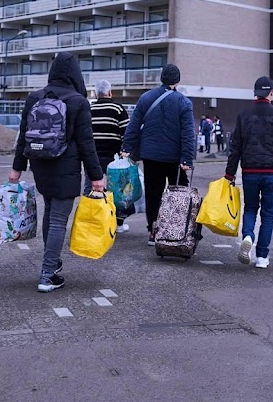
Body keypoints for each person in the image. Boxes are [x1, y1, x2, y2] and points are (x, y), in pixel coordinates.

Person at [10, 53, 103, 293]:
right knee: (59, 220)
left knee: (50, 213)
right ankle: (47, 274)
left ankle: (52, 263)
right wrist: (96, 175)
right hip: (66, 166)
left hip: (40, 164)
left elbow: (23, 136)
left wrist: (17, 168)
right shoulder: (78, 101)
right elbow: (86, 143)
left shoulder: (35, 97)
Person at [120, 63, 196, 245]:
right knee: (177, 194)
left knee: (153, 193)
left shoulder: (146, 98)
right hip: (175, 159)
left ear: (161, 78)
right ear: (177, 81)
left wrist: (126, 148)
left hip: (151, 155)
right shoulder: (184, 102)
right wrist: (187, 157)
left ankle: (153, 231)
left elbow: (133, 125)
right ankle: (174, 230)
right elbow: (188, 133)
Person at [224, 76, 273, 269]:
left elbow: (235, 147)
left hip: (249, 171)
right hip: (272, 172)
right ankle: (262, 257)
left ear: (255, 92)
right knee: (268, 214)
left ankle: (247, 236)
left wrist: (230, 175)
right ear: (271, 92)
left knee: (250, 208)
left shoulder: (244, 115)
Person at [87, 79, 130, 232]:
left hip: (92, 157)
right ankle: (116, 224)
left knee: (91, 189)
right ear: (110, 92)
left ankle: (92, 223)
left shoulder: (89, 109)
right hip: (113, 158)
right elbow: (126, 133)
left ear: (96, 94)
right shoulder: (118, 109)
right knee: (116, 191)